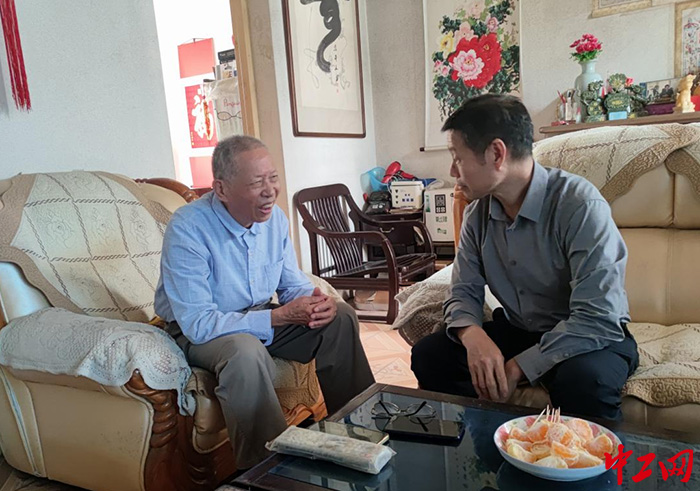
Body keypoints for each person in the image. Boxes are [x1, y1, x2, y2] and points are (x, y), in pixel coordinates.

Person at [411, 94, 638, 421]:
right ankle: (482, 441)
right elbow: (463, 290)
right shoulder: (476, 216)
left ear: (496, 153)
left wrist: (520, 366)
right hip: (520, 330)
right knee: (430, 355)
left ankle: (583, 457)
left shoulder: (579, 205)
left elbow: (598, 316)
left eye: (457, 158)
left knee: (584, 382)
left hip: (588, 336)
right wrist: (472, 334)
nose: (452, 170)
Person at [155, 135, 375, 468]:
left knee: (340, 317)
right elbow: (198, 323)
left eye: (273, 178)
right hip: (201, 330)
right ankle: (270, 470)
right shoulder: (188, 228)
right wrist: (278, 317)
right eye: (257, 183)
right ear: (222, 189)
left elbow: (291, 285)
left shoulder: (275, 220)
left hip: (257, 316)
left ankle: (360, 436)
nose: (270, 190)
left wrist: (317, 302)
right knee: (244, 350)